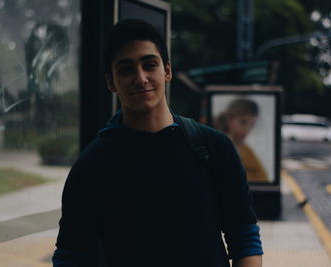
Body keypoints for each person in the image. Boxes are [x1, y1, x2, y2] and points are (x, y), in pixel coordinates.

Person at [52, 19, 263, 267]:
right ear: (111, 82)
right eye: (126, 69)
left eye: (149, 65)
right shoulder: (92, 166)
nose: (140, 78)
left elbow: (244, 237)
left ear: (167, 71)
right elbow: (71, 256)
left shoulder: (214, 148)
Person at [216, 99, 268, 183]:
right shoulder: (215, 145)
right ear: (229, 120)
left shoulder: (247, 151)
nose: (247, 130)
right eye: (243, 122)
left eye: (252, 124)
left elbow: (264, 179)